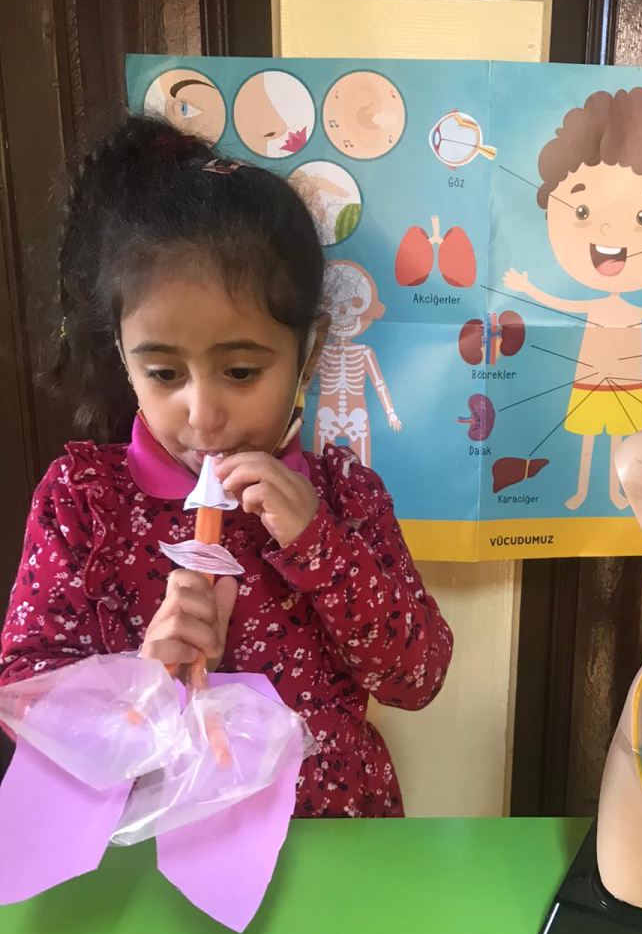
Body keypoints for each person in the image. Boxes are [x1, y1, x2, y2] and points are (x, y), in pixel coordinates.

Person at [0, 114, 453, 818]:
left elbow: (416, 677)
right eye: (163, 373)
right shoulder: (84, 501)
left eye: (241, 371)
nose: (203, 415)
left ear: (309, 350)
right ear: (122, 354)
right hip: (157, 838)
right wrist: (144, 679)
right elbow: (24, 693)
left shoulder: (345, 496)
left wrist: (319, 545)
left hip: (334, 830)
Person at [504, 87, 642, 510]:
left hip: (627, 382)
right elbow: (564, 306)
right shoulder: (599, 307)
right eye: (582, 211)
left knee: (622, 441)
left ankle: (618, 494)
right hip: (590, 379)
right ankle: (583, 491)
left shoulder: (630, 310)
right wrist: (528, 288)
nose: (607, 232)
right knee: (590, 439)